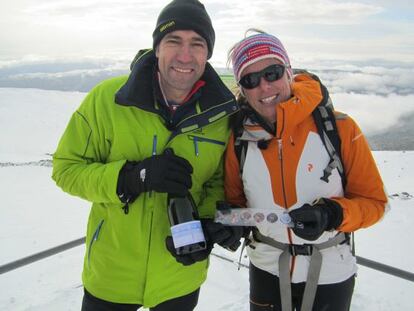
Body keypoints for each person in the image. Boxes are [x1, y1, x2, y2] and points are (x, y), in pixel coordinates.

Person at [52, 1, 243, 310]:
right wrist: (129, 178)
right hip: (111, 275)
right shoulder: (107, 100)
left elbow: (217, 183)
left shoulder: (220, 115)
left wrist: (209, 222)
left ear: (207, 54)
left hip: (180, 276)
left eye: (197, 43)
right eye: (173, 41)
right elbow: (66, 169)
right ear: (157, 48)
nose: (185, 55)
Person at [224, 29, 389, 311]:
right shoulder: (238, 139)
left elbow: (375, 203)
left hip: (331, 272)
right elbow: (235, 203)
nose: (264, 87)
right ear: (242, 89)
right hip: (266, 269)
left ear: (288, 72)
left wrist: (334, 214)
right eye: (250, 80)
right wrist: (227, 222)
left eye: (273, 73)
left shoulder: (339, 128)